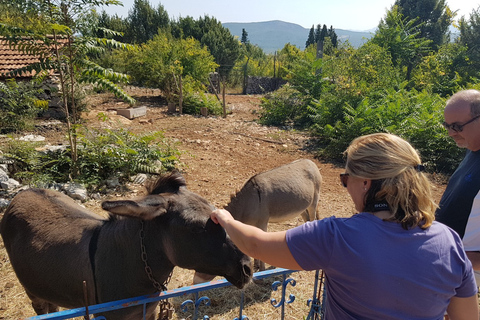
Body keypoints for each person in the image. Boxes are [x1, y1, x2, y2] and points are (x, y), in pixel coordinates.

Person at [211, 133, 478, 320]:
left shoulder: (336, 236)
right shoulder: (449, 241)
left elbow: (255, 244)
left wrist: (226, 219)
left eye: (344, 178)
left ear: (365, 183)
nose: (344, 185)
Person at [436, 89, 480, 286]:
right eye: (447, 125)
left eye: (457, 126)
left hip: (464, 272)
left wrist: (457, 257)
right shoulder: (473, 149)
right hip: (450, 267)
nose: (450, 133)